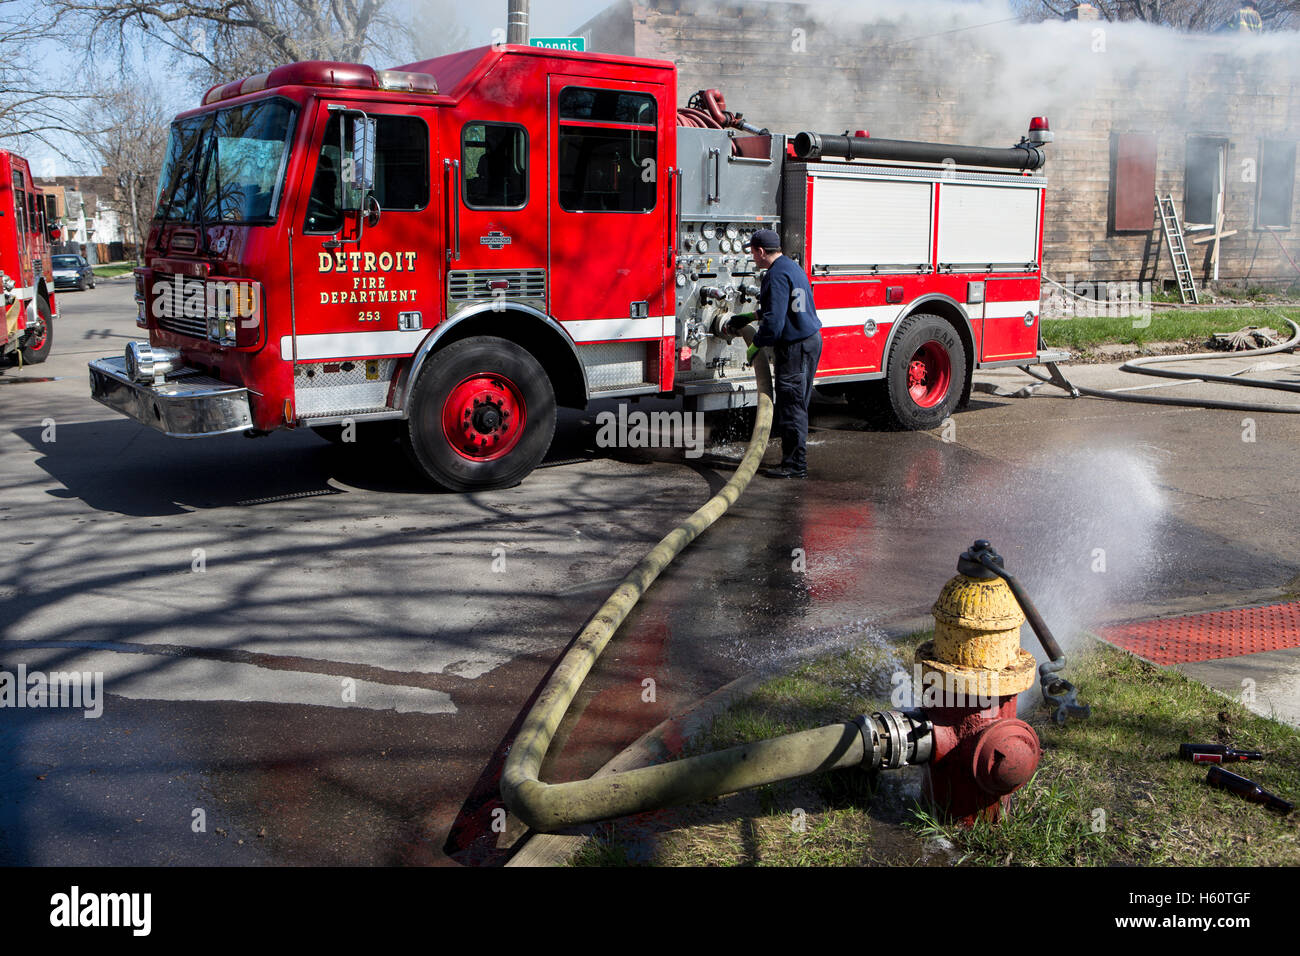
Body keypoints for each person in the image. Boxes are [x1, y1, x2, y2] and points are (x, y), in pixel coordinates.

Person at [726, 229, 823, 479]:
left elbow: (775, 321)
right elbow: (784, 305)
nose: (753, 257)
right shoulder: (791, 267)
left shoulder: (775, 275)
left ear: (760, 251)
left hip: (796, 347)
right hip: (807, 341)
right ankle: (794, 461)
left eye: (752, 252)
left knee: (792, 406)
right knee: (796, 403)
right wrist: (751, 315)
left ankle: (795, 466)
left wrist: (756, 344)